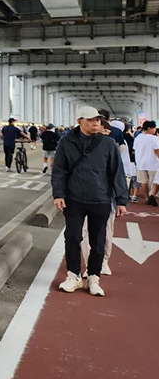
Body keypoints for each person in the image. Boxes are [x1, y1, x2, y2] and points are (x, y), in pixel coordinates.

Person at [51, 106, 128, 297]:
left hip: (100, 199)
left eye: (98, 120)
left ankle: (93, 277)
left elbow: (116, 172)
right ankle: (73, 276)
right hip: (74, 199)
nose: (96, 123)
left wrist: (121, 200)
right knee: (73, 237)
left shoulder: (108, 143)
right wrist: (58, 194)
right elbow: (59, 170)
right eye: (91, 120)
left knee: (98, 240)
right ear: (80, 121)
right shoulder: (66, 142)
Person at [132, 120, 159, 206]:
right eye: (154, 128)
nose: (155, 130)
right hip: (153, 163)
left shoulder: (137, 138)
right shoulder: (154, 138)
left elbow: (135, 150)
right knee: (155, 182)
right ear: (149, 128)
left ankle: (147, 198)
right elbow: (157, 151)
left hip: (140, 164)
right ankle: (152, 196)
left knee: (144, 182)